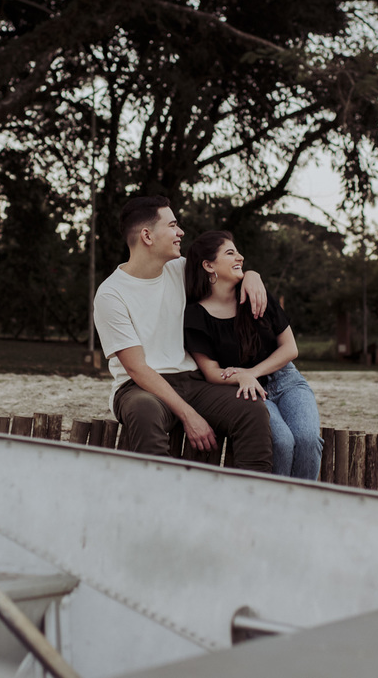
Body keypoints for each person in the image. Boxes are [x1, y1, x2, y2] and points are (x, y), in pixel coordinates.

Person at [93, 197, 273, 472]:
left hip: (193, 382)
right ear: (147, 236)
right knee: (144, 411)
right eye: (173, 225)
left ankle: (249, 499)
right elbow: (137, 368)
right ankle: (160, 505)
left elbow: (224, 271)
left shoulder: (182, 269)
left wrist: (252, 275)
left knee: (251, 409)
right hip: (140, 388)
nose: (181, 233)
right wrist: (189, 415)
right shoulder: (111, 294)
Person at [183, 231, 323, 480]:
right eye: (230, 253)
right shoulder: (195, 315)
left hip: (287, 380)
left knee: (307, 439)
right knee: (280, 441)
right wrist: (244, 379)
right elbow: (211, 372)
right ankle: (272, 512)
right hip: (248, 390)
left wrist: (251, 372)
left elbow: (291, 349)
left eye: (237, 251)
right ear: (208, 265)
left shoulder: (256, 294)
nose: (240, 257)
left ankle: (302, 511)